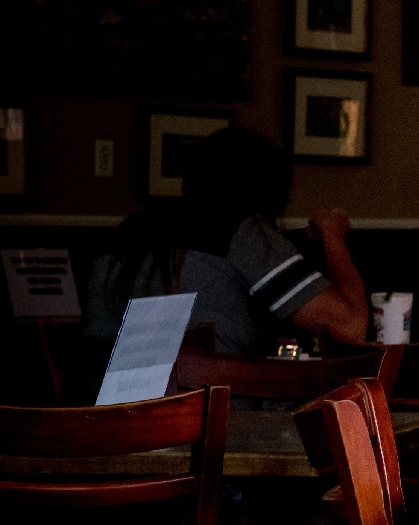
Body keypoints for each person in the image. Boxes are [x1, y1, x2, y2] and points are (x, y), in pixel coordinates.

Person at [87, 127, 367, 355]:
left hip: (107, 405)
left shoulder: (127, 233)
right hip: (213, 404)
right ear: (266, 196)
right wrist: (332, 235)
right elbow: (351, 328)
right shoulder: (240, 232)